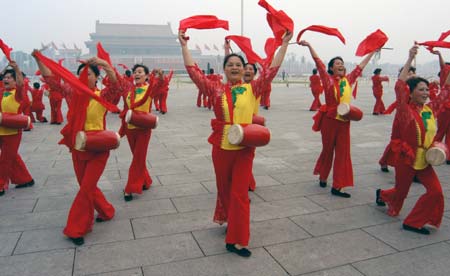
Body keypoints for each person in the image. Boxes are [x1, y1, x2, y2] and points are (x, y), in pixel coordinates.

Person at [179, 28, 292, 257]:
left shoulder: (254, 88)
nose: (234, 67)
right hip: (220, 148)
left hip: (244, 149)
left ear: (244, 69)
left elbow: (272, 69)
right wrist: (184, 46)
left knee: (240, 192)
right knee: (224, 190)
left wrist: (285, 44)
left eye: (238, 65)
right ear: (224, 69)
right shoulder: (215, 89)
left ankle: (238, 239)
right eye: (229, 64)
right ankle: (230, 219)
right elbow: (194, 73)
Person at [33, 50, 124, 245]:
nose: (83, 76)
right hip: (78, 148)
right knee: (87, 186)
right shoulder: (72, 94)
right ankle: (107, 210)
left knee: (85, 189)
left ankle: (77, 227)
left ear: (96, 78)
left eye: (88, 74)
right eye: (80, 74)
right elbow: (52, 81)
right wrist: (39, 60)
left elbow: (117, 86)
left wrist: (105, 64)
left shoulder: (104, 95)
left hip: (98, 148)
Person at [376, 44, 448, 235]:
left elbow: (446, 90)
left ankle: (413, 222)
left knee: (436, 192)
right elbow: (400, 86)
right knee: (400, 193)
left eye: (427, 90)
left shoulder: (430, 109)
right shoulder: (404, 111)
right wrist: (409, 57)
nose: (425, 93)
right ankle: (383, 195)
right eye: (421, 90)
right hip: (406, 159)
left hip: (425, 160)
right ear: (412, 92)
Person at [299, 40, 375, 198]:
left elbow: (361, 66)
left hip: (345, 122)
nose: (341, 65)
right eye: (337, 63)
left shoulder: (349, 80)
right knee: (328, 150)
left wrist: (373, 51)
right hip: (330, 121)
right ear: (332, 68)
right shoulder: (327, 80)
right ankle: (323, 176)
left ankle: (338, 186)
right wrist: (309, 46)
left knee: (343, 153)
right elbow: (318, 63)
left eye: (342, 63)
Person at [120, 64, 165, 201]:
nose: (136, 74)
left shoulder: (149, 89)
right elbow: (125, 111)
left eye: (140, 72)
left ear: (146, 75)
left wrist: (160, 75)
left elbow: (161, 84)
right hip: (130, 129)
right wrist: (121, 131)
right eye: (135, 72)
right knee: (138, 158)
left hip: (143, 129)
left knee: (137, 159)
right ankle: (146, 180)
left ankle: (130, 188)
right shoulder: (129, 90)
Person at [0, 61, 35, 197]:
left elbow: (22, 84)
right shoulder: (2, 92)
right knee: (12, 157)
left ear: (15, 81)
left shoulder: (17, 93)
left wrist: (16, 68)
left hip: (12, 131)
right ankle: (25, 179)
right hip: (1, 129)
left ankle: (1, 184)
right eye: (5, 77)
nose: (6, 79)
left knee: (5, 159)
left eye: (9, 78)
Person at [379, 66, 416, 172]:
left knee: (411, 143)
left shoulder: (416, 87)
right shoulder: (402, 88)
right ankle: (384, 161)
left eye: (412, 73)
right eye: (408, 73)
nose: (410, 75)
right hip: (400, 119)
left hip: (413, 118)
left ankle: (410, 166)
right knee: (395, 142)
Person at [431, 50, 450, 165]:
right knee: (441, 131)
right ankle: (432, 150)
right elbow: (443, 66)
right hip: (445, 108)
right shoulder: (445, 75)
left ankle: (448, 156)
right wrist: (439, 55)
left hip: (446, 108)